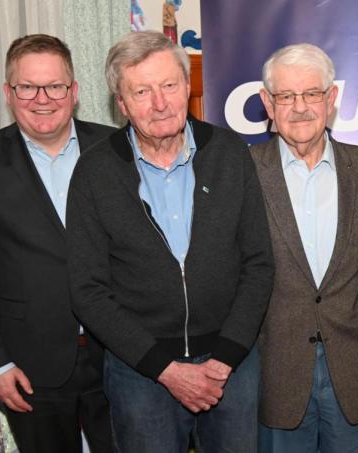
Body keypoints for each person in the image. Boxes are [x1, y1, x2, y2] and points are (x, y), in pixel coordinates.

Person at [66, 31, 274, 453]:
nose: (160, 103)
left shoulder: (230, 152)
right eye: (142, 91)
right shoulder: (94, 172)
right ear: (121, 104)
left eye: (169, 85)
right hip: (140, 373)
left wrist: (225, 357)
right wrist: (164, 369)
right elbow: (88, 290)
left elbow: (258, 263)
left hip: (231, 367)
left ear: (187, 86)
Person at [0, 34, 114, 453]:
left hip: (122, 357)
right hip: (28, 365)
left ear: (74, 91)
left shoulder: (116, 149)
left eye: (55, 86)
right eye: (27, 86)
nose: (42, 99)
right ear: (8, 93)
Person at [251, 43, 358, 453]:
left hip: (355, 368)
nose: (300, 107)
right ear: (267, 103)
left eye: (311, 93)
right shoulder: (243, 171)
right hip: (273, 371)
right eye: (285, 96)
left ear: (331, 99)